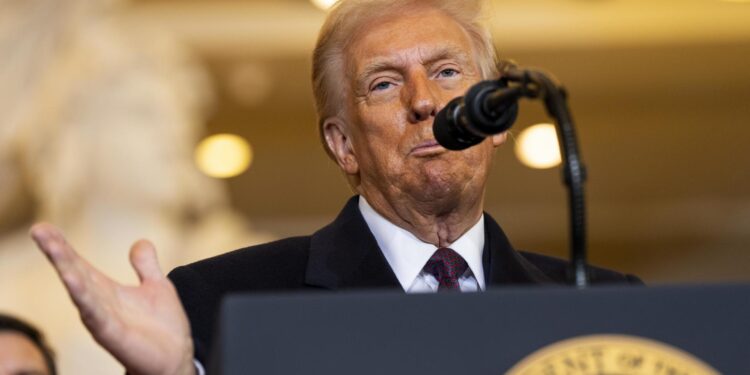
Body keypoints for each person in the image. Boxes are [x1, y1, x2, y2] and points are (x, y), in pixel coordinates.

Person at [29, 0, 640, 374]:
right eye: (383, 84)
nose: (424, 101)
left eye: (448, 72)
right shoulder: (221, 305)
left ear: (495, 116)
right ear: (343, 145)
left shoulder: (615, 310)